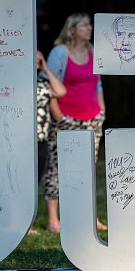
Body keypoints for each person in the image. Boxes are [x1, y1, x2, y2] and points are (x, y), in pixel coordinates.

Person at [42, 13, 107, 233]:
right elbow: (48, 86)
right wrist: (59, 117)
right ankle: (53, 220)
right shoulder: (60, 52)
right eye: (85, 25)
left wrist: (102, 112)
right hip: (65, 119)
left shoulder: (93, 51)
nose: (90, 28)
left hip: (92, 119)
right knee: (56, 167)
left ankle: (90, 217)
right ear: (72, 29)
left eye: (90, 25)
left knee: (87, 169)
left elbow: (98, 84)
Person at [29, 50, 66, 235]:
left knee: (36, 180)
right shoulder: (17, 82)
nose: (37, 61)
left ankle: (28, 222)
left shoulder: (43, 83)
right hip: (23, 140)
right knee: (24, 182)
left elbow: (61, 91)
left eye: (39, 58)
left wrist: (45, 68)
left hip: (41, 138)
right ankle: (23, 224)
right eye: (34, 58)